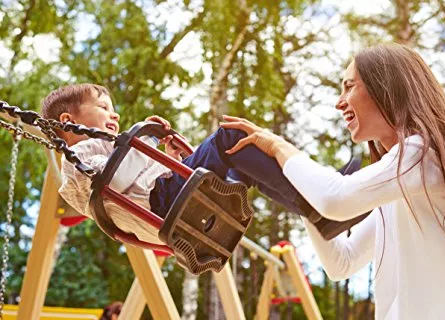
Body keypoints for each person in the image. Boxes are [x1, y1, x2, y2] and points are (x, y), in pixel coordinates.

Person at [220, 43, 445, 320]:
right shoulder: (403, 189)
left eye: (349, 87)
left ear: (387, 89)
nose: (340, 101)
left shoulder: (423, 154)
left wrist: (279, 147)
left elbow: (335, 199)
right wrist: (300, 194)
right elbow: (343, 261)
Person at [41, 83, 363, 245]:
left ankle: (317, 210)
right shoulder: (79, 157)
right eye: (102, 107)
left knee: (243, 159)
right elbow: (116, 179)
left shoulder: (107, 148)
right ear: (69, 121)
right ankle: (319, 204)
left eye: (113, 109)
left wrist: (171, 156)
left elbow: (138, 177)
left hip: (168, 200)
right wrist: (146, 141)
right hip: (165, 204)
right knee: (230, 137)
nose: (114, 115)